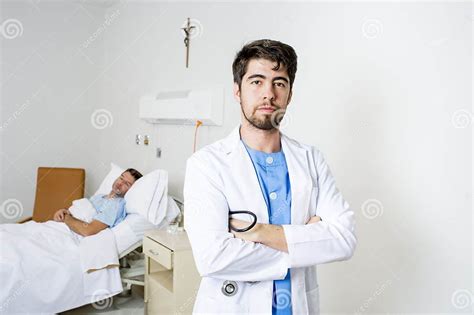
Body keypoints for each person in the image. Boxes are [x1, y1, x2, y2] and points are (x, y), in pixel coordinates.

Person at [184, 39, 357, 314]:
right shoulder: (206, 165)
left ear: (289, 93)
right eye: (256, 81)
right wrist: (306, 239)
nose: (269, 94)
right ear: (237, 91)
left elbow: (344, 239)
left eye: (279, 82)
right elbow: (212, 258)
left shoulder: (311, 159)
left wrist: (257, 232)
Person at [53, 168, 142, 237]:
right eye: (121, 178)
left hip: (70, 235)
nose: (120, 183)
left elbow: (88, 231)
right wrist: (63, 212)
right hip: (59, 227)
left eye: (126, 184)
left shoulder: (116, 205)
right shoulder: (99, 197)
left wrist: (66, 218)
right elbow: (79, 212)